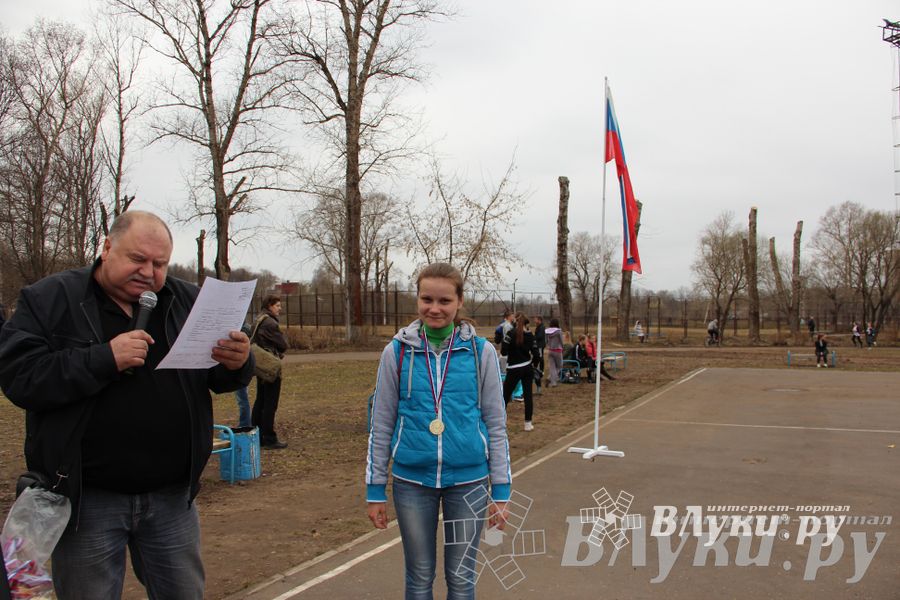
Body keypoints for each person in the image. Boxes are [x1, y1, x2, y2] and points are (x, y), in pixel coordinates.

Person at [0, 211, 253, 599]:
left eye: (160, 264)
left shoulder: (188, 301)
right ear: (106, 248)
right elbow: (21, 378)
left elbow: (214, 378)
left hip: (172, 499)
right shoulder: (51, 300)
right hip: (89, 502)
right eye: (138, 259)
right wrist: (103, 359)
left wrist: (238, 363)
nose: (149, 272)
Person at [366, 262, 510, 599]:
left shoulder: (480, 353)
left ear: (459, 302)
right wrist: (375, 489)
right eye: (426, 299)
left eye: (444, 301)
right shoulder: (396, 353)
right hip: (412, 483)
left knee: (461, 580)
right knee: (419, 578)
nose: (435, 308)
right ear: (417, 300)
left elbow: (496, 424)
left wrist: (501, 490)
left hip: (470, 482)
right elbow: (381, 424)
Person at [251, 294, 289, 449]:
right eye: (277, 305)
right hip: (270, 366)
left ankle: (256, 435)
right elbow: (283, 345)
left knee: (260, 401)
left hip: (260, 365)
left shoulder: (258, 319)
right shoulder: (270, 323)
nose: (280, 308)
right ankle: (269, 438)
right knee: (270, 403)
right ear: (270, 305)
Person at [501, 312, 540, 431]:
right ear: (526, 324)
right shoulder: (530, 335)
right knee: (528, 395)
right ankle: (528, 423)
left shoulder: (510, 334)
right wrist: (534, 364)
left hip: (513, 368)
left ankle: (500, 421)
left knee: (505, 395)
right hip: (527, 367)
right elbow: (536, 354)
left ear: (515, 322)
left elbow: (503, 351)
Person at [544, 318, 564, 387]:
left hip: (550, 350)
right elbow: (561, 341)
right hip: (558, 350)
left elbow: (546, 341)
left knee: (552, 367)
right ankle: (550, 378)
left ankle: (553, 382)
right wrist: (563, 347)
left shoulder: (547, 331)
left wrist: (548, 345)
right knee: (559, 366)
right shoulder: (559, 331)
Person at [532, 315, 546, 394]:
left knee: (540, 357)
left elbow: (540, 336)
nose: (534, 320)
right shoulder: (538, 327)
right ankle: (537, 369)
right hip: (538, 345)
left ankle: (541, 371)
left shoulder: (542, 327)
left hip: (540, 345)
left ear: (539, 320)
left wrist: (534, 337)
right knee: (538, 357)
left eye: (536, 319)